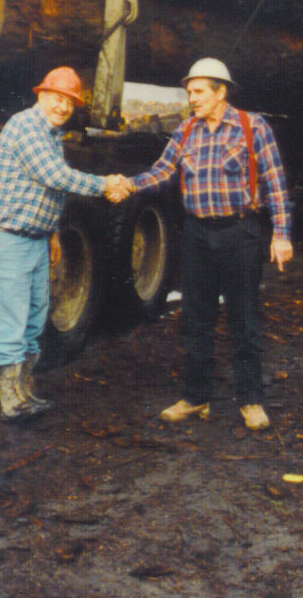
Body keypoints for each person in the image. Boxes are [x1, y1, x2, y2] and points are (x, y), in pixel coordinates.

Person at [113, 58, 293, 431]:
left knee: (243, 319)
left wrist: (281, 234)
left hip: (240, 234)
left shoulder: (251, 127)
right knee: (196, 319)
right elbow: (163, 172)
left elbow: (275, 183)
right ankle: (195, 398)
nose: (192, 98)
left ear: (221, 91)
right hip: (196, 235)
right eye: (189, 92)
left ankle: (251, 401)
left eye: (198, 92)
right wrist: (128, 184)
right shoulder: (186, 131)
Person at [0, 66, 130, 422]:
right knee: (12, 322)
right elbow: (55, 175)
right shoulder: (25, 127)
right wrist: (106, 183)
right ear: (41, 95)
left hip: (33, 239)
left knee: (33, 320)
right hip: (7, 240)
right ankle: (10, 402)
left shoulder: (51, 135)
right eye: (58, 99)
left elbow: (48, 190)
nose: (63, 107)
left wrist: (52, 232)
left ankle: (24, 391)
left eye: (69, 102)